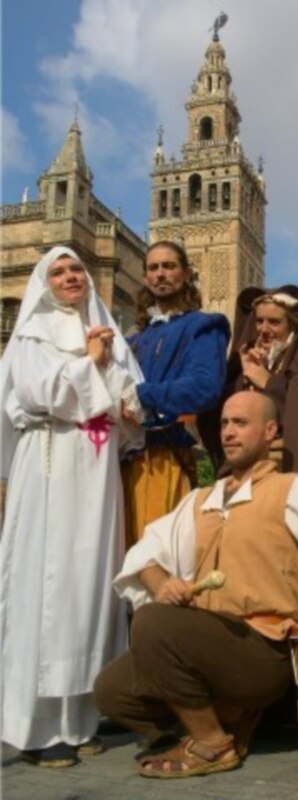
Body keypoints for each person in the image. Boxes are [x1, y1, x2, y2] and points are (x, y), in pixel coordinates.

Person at [94, 390, 298, 779]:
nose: (228, 433)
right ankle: (229, 717)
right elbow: (144, 557)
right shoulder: (201, 500)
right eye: (224, 423)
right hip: (213, 645)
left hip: (268, 651)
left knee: (153, 625)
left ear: (270, 431)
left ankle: (212, 741)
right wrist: (162, 584)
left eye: (241, 423)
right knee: (112, 690)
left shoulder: (296, 488)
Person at [0, 246, 144, 768]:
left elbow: (126, 406)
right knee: (48, 585)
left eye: (76, 270)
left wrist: (127, 405)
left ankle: (81, 717)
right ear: (45, 283)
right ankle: (37, 728)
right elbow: (45, 396)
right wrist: (92, 365)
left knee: (91, 584)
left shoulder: (106, 331)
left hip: (97, 475)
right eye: (58, 272)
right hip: (51, 464)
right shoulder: (34, 336)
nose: (70, 278)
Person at [122, 240, 230, 548]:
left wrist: (144, 395)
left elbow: (205, 388)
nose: (160, 274)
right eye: (153, 268)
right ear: (145, 277)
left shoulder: (203, 325)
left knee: (157, 557)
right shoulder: (135, 338)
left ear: (186, 273)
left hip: (164, 458)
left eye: (169, 266)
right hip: (124, 459)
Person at [204, 284, 298, 485]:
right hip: (247, 473)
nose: (264, 330)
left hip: (288, 468)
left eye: (274, 322)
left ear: (292, 324)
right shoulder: (248, 355)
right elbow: (220, 412)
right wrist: (243, 377)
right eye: (259, 321)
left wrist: (270, 382)